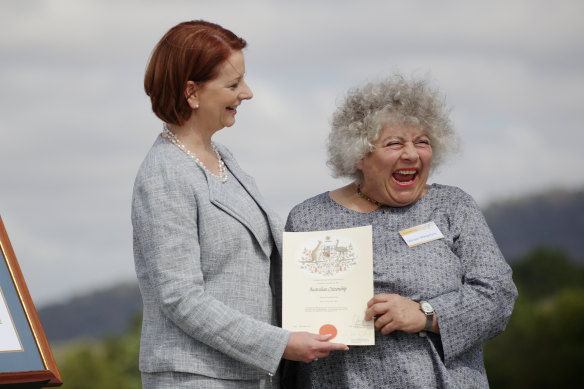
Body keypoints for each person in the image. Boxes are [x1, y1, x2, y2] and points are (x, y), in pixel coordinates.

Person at [131, 20, 347, 389]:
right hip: (197, 377)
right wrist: (278, 343)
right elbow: (179, 297)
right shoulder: (165, 173)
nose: (247, 93)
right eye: (233, 84)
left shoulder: (224, 157)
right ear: (192, 92)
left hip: (247, 374)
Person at [284, 74, 518, 388]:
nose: (411, 154)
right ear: (360, 156)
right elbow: (285, 318)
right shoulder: (308, 217)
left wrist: (426, 315)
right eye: (395, 143)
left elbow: (498, 295)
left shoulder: (452, 206)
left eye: (422, 142)